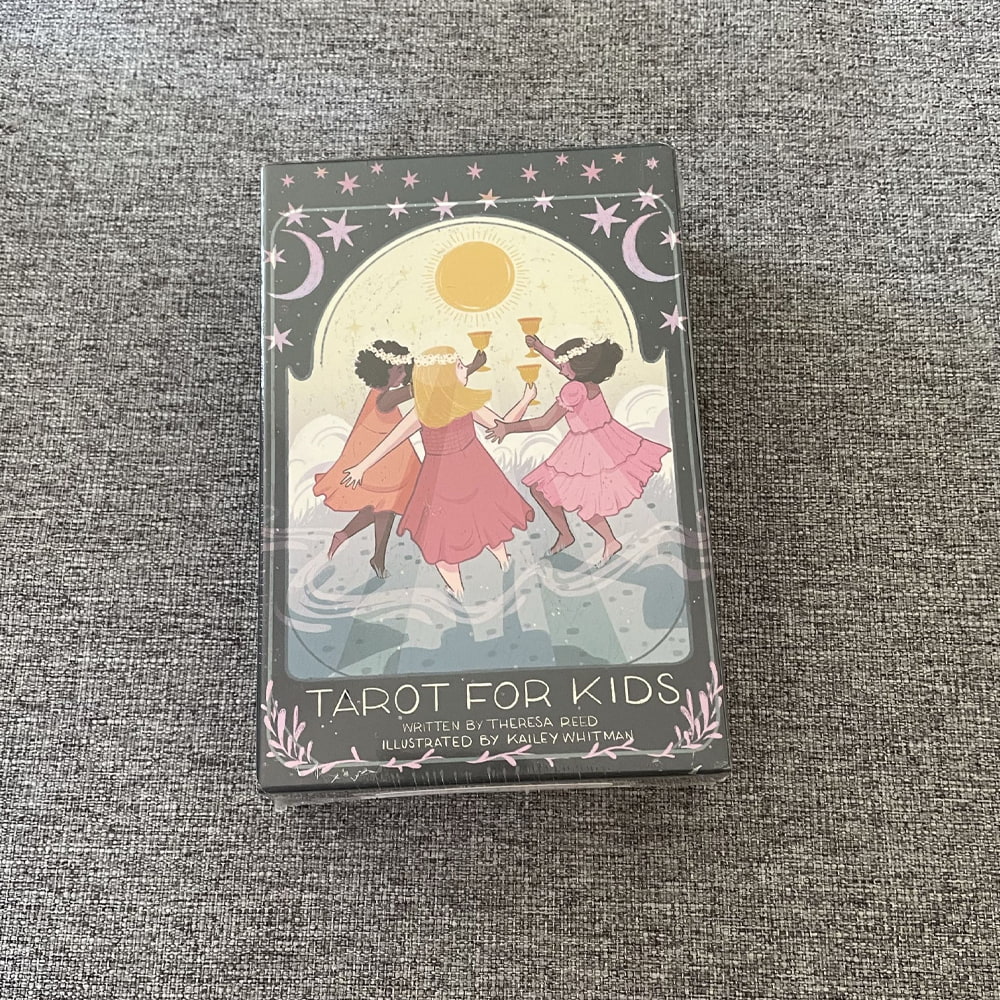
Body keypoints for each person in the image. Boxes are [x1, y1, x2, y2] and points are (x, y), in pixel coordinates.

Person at [342, 346, 536, 598]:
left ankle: (460, 586)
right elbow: (504, 426)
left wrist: (362, 467)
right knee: (482, 519)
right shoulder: (456, 404)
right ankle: (500, 563)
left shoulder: (430, 408)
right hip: (469, 471)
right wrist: (526, 400)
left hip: (444, 477)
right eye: (459, 366)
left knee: (446, 533)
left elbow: (392, 441)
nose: (465, 369)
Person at [487, 334, 670, 564]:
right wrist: (540, 347)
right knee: (549, 491)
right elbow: (562, 362)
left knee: (571, 495)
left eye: (564, 366)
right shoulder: (588, 379)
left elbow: (545, 422)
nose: (560, 369)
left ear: (576, 367)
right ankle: (577, 536)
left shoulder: (573, 390)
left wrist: (508, 428)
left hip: (587, 449)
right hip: (605, 440)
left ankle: (605, 540)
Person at [312, 341, 485, 578]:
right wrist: (471, 368)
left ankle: (359, 545)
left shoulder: (381, 395)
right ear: (384, 371)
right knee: (385, 506)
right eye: (400, 370)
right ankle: (372, 553)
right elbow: (428, 386)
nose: (404, 375)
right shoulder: (384, 399)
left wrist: (469, 368)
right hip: (382, 458)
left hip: (390, 456)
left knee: (383, 507)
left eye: (405, 370)